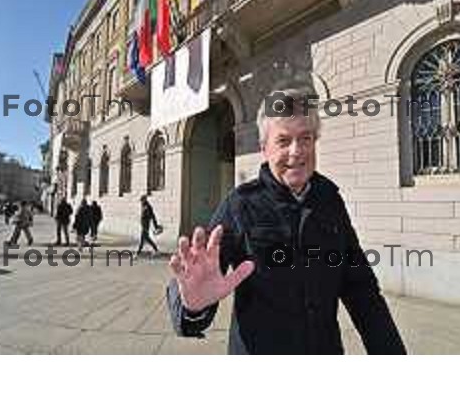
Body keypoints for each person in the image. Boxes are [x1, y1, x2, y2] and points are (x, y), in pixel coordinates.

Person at [167, 88, 407, 355]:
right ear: (264, 149)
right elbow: (198, 278)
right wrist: (193, 308)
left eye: (305, 138)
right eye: (283, 141)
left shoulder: (330, 200)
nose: (297, 151)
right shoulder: (240, 205)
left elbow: (362, 290)